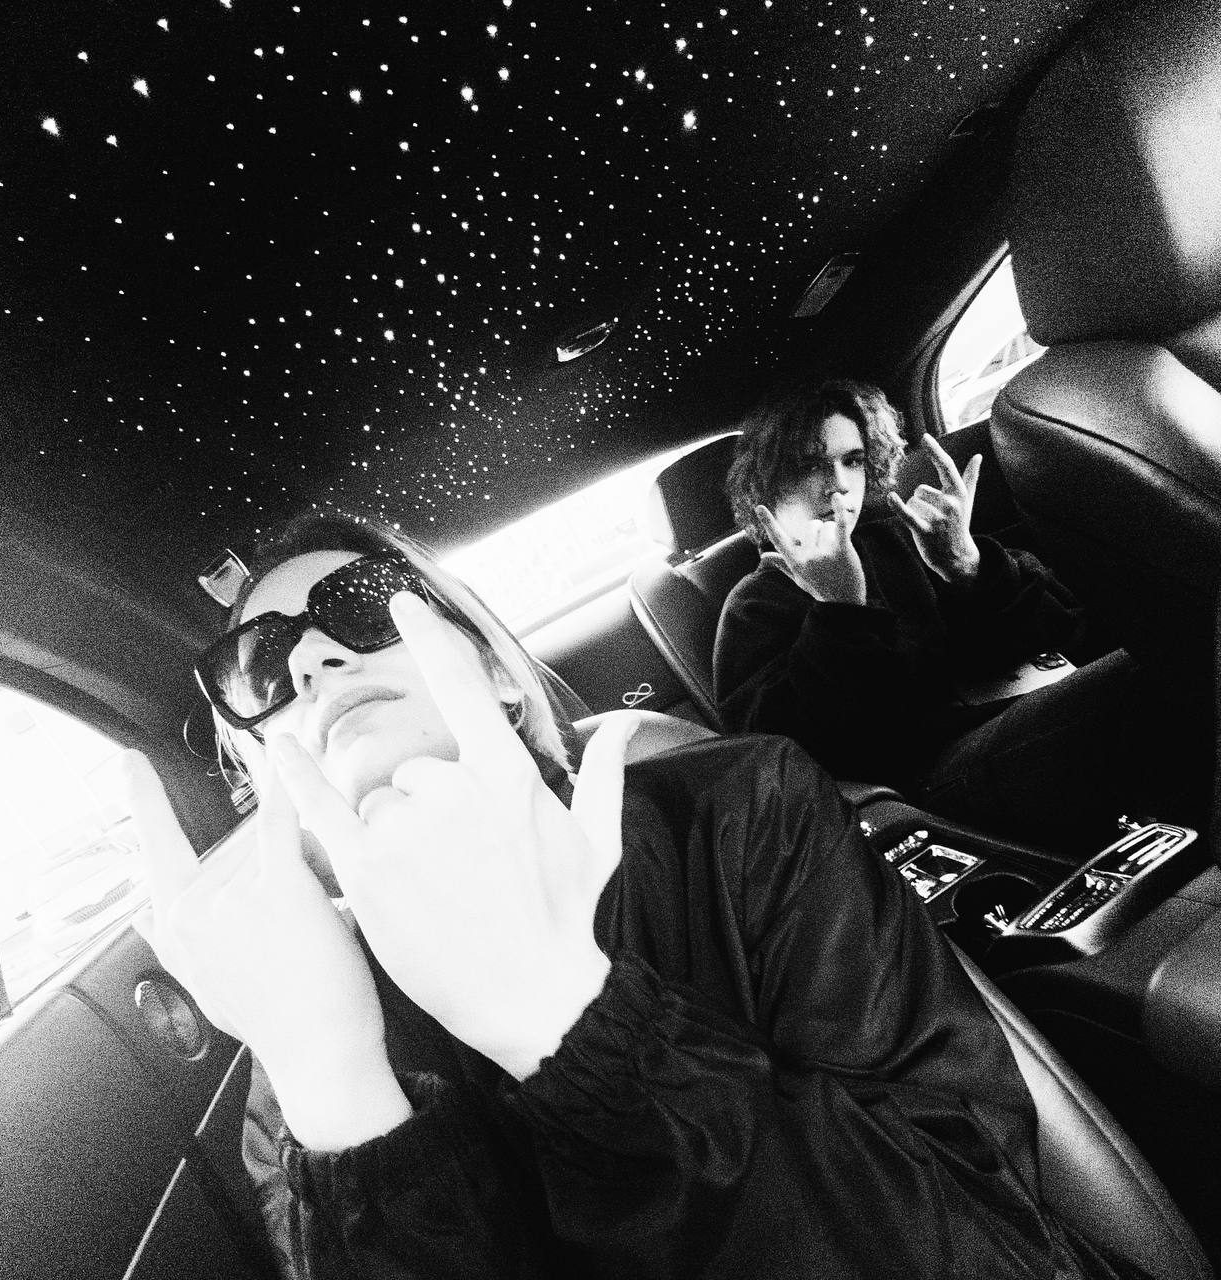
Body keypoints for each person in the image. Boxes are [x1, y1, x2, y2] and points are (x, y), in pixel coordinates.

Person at [127, 512, 1144, 1279]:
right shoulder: (294, 1061)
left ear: (495, 671)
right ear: (258, 767)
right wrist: (341, 1096)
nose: (314, 658)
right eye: (259, 667)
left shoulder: (742, 808)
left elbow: (987, 1240)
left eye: (361, 604)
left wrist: (571, 1027)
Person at [713, 379, 1209, 855]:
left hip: (1018, 720)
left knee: (1174, 648)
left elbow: (1070, 633)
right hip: (928, 790)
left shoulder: (899, 540)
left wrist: (969, 567)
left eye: (854, 460)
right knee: (1160, 671)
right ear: (766, 482)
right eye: (808, 465)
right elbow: (808, 767)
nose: (839, 485)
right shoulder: (754, 606)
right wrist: (840, 614)